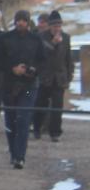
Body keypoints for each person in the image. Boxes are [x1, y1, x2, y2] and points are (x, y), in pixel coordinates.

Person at [0, 9, 45, 169]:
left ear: (28, 22)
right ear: (15, 21)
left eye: (23, 20)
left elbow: (43, 61)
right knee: (11, 119)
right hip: (8, 85)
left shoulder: (36, 39)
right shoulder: (5, 38)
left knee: (23, 118)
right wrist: (12, 68)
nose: (20, 23)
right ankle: (13, 153)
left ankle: (20, 157)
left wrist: (32, 69)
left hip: (29, 87)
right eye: (18, 20)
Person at [34, 10, 72, 143]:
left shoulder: (66, 37)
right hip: (45, 76)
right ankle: (37, 128)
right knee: (40, 104)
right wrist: (53, 44)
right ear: (50, 26)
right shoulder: (41, 37)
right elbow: (40, 56)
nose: (57, 29)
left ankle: (55, 132)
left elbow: (68, 59)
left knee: (57, 106)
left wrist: (69, 76)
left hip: (59, 77)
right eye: (55, 26)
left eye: (59, 26)